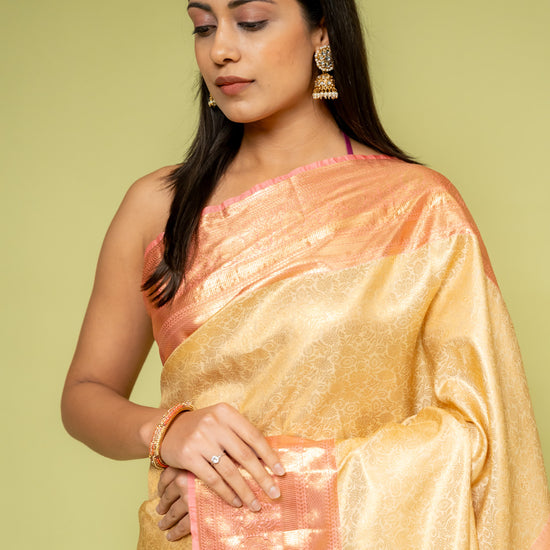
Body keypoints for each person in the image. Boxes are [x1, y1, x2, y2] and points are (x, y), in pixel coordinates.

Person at [61, 0, 550, 548]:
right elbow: (85, 394)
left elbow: (484, 435)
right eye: (203, 27)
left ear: (322, 33)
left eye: (251, 22)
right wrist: (167, 429)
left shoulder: (420, 208)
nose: (220, 49)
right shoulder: (160, 207)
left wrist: (292, 489)